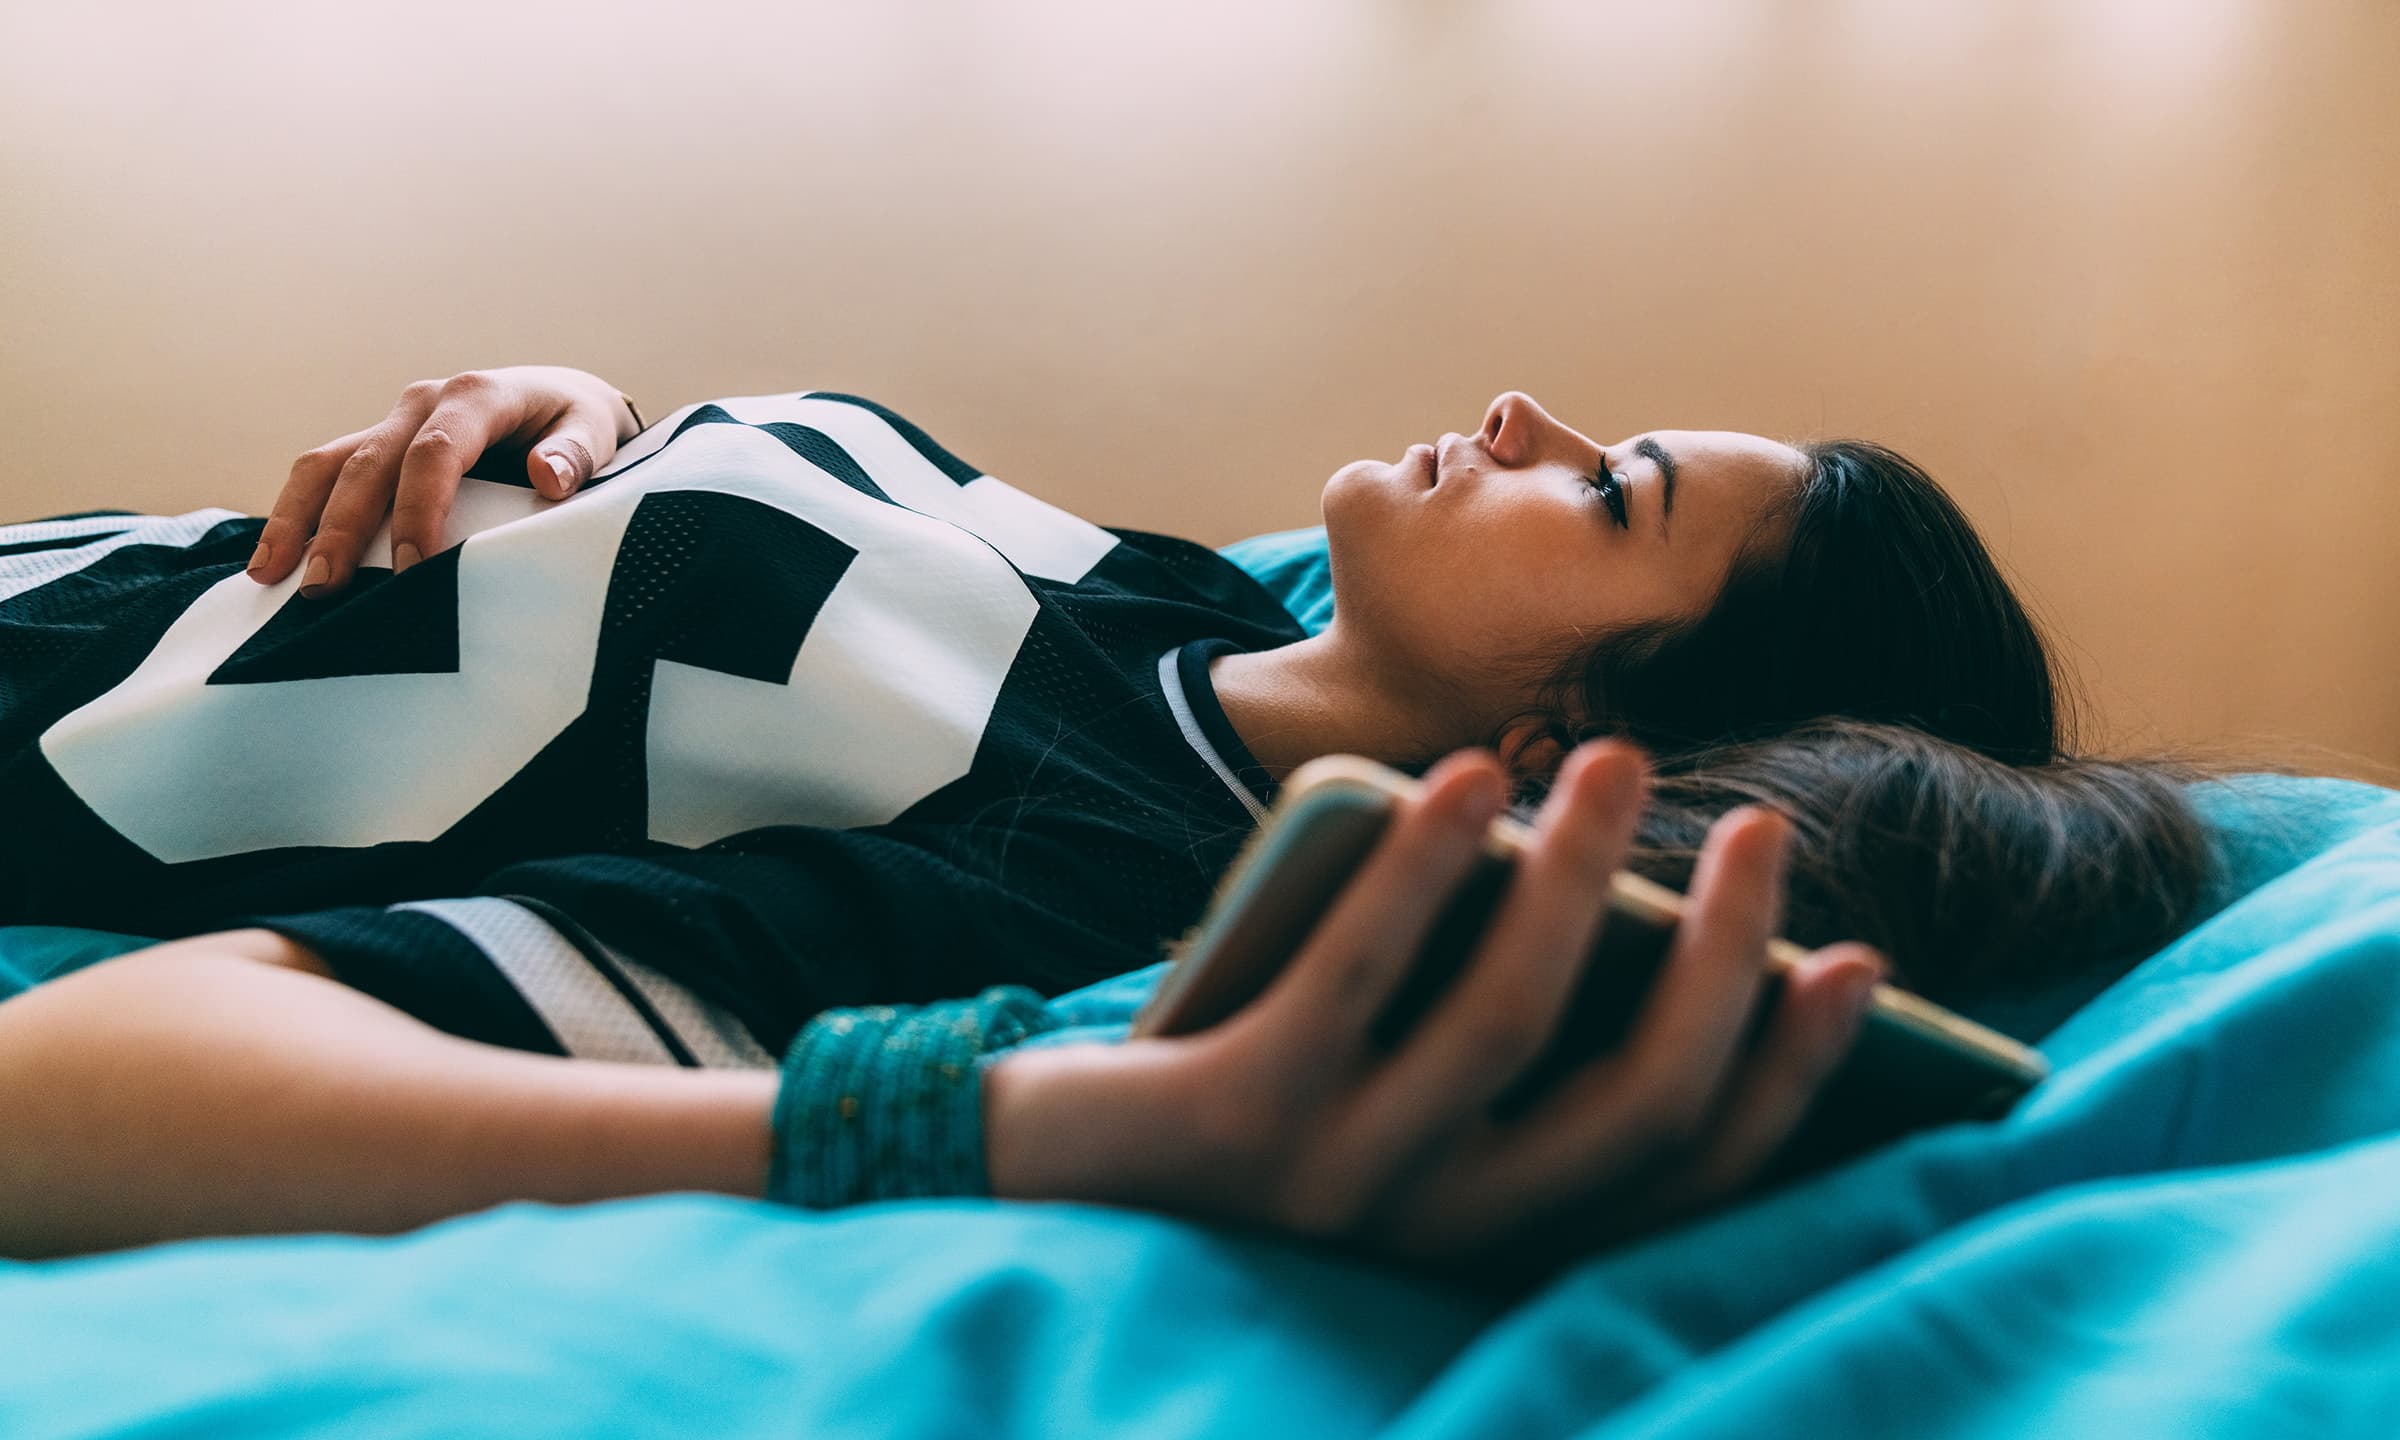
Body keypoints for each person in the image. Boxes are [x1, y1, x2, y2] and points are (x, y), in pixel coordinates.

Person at [0, 365, 2135, 1262]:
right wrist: (576, 420)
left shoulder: (1068, 868)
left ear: (1569, 748)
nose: (1522, 413)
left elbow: (70, 1084)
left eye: (1606, 493)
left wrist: (1016, 1124)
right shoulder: (1184, 597)